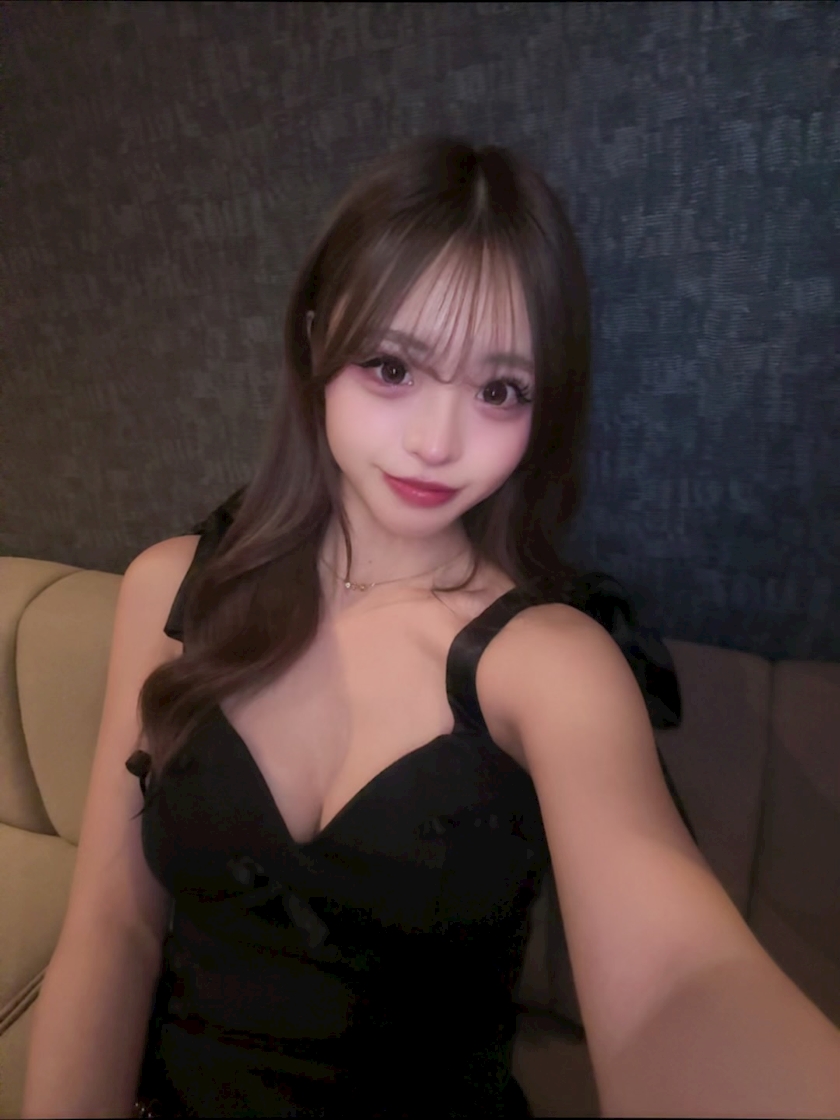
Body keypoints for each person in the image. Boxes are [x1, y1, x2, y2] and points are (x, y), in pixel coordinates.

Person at [22, 137, 840, 1119]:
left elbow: (678, 979)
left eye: (500, 390)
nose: (437, 442)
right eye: (391, 366)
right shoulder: (170, 591)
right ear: (317, 343)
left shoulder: (551, 663)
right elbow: (111, 929)